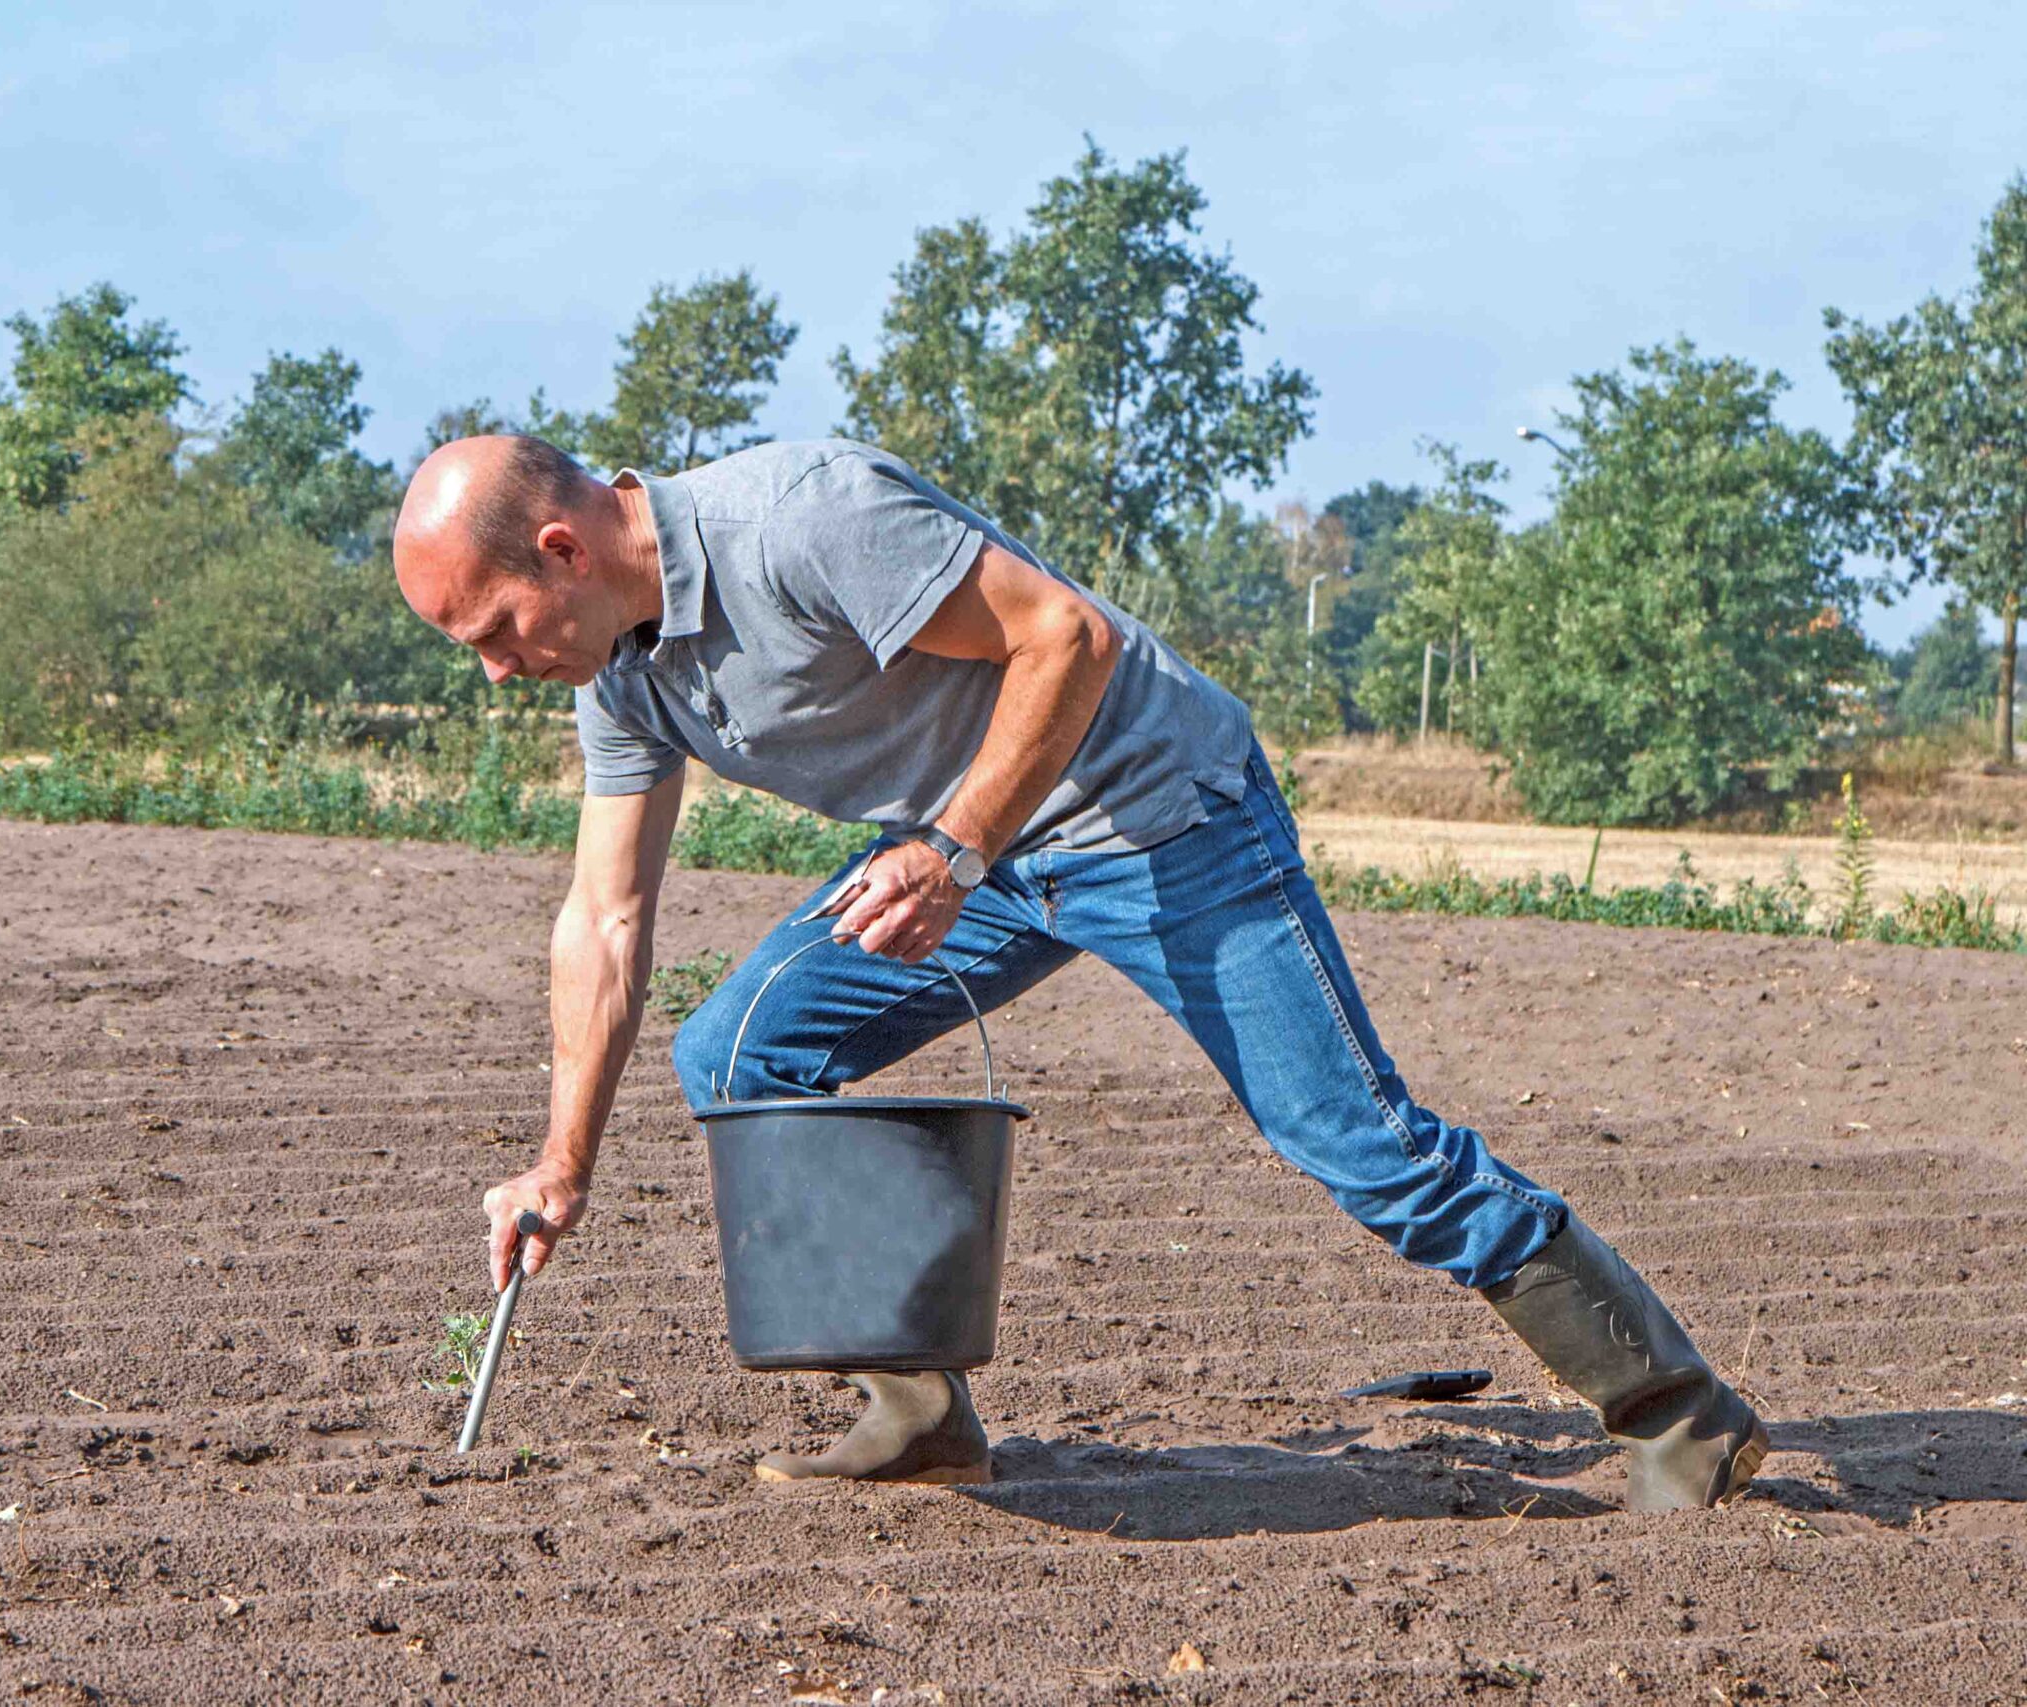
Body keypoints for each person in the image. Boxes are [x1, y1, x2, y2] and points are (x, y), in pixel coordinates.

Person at [392, 434, 1765, 1507]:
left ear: (562, 549)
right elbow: (605, 919)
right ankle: (918, 1416)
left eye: (494, 632)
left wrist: (953, 850)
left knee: (1359, 1144)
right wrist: (561, 1160)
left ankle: (1679, 1416)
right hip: (979, 858)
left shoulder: (801, 518)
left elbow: (1069, 639)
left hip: (1159, 818)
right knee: (739, 1055)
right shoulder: (623, 674)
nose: (503, 673)